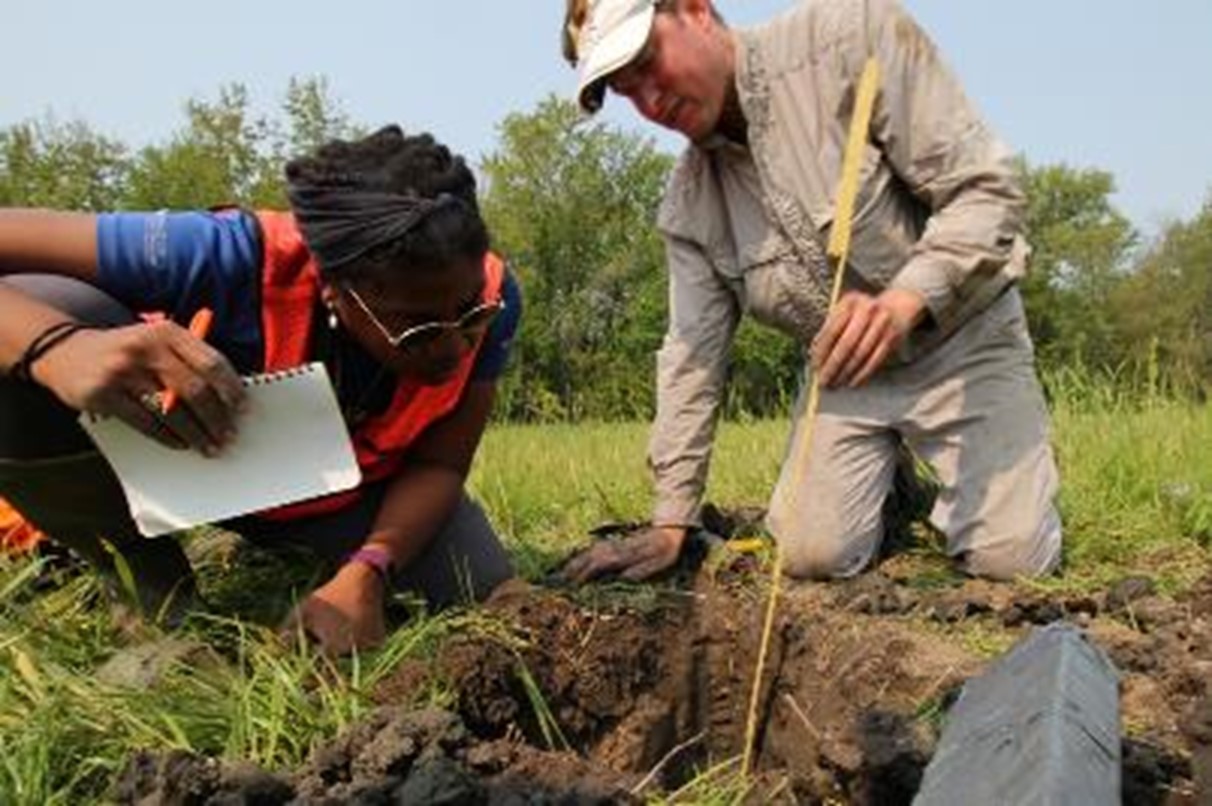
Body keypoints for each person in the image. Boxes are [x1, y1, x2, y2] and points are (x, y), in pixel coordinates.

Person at [560, 0, 1062, 583]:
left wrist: (906, 301)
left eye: (648, 62)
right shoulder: (690, 206)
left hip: (963, 337)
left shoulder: (851, 37)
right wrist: (674, 518)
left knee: (1013, 562)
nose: (649, 101)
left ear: (696, 10)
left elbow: (987, 192)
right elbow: (691, 360)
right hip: (847, 374)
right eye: (626, 90)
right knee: (811, 556)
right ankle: (891, 487)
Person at [0, 125, 520, 654]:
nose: (456, 346)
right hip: (176, 461)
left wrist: (368, 569)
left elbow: (440, 467)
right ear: (336, 294)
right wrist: (57, 349)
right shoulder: (219, 255)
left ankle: (302, 549)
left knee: (475, 581)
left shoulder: (492, 297)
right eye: (418, 328)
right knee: (38, 305)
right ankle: (138, 568)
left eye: (470, 313)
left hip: (336, 492)